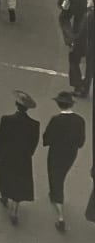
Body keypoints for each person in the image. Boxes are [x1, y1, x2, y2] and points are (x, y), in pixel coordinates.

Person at [0, 90, 40, 226]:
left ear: (16, 105)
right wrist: (27, 154)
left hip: (7, 155)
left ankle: (4, 195)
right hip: (23, 158)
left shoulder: (6, 120)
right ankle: (14, 211)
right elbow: (33, 145)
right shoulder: (34, 125)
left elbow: (0, 138)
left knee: (6, 176)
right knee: (19, 182)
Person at [43, 90, 86, 232]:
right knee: (60, 176)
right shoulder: (80, 120)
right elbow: (81, 142)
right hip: (70, 155)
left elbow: (47, 138)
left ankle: (60, 216)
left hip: (56, 153)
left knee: (55, 177)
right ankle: (54, 194)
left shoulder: (56, 120)